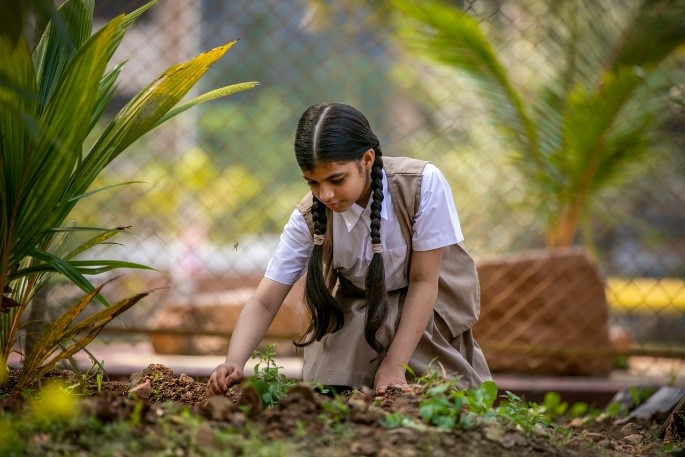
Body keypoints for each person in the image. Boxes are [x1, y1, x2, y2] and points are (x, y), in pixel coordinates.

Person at [207, 102, 491, 396]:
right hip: (361, 316)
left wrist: (394, 366)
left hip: (426, 311)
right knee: (331, 397)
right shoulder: (308, 218)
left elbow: (424, 281)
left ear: (367, 159)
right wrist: (233, 362)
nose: (325, 194)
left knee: (446, 396)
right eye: (313, 183)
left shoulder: (421, 185)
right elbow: (265, 301)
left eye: (336, 179)